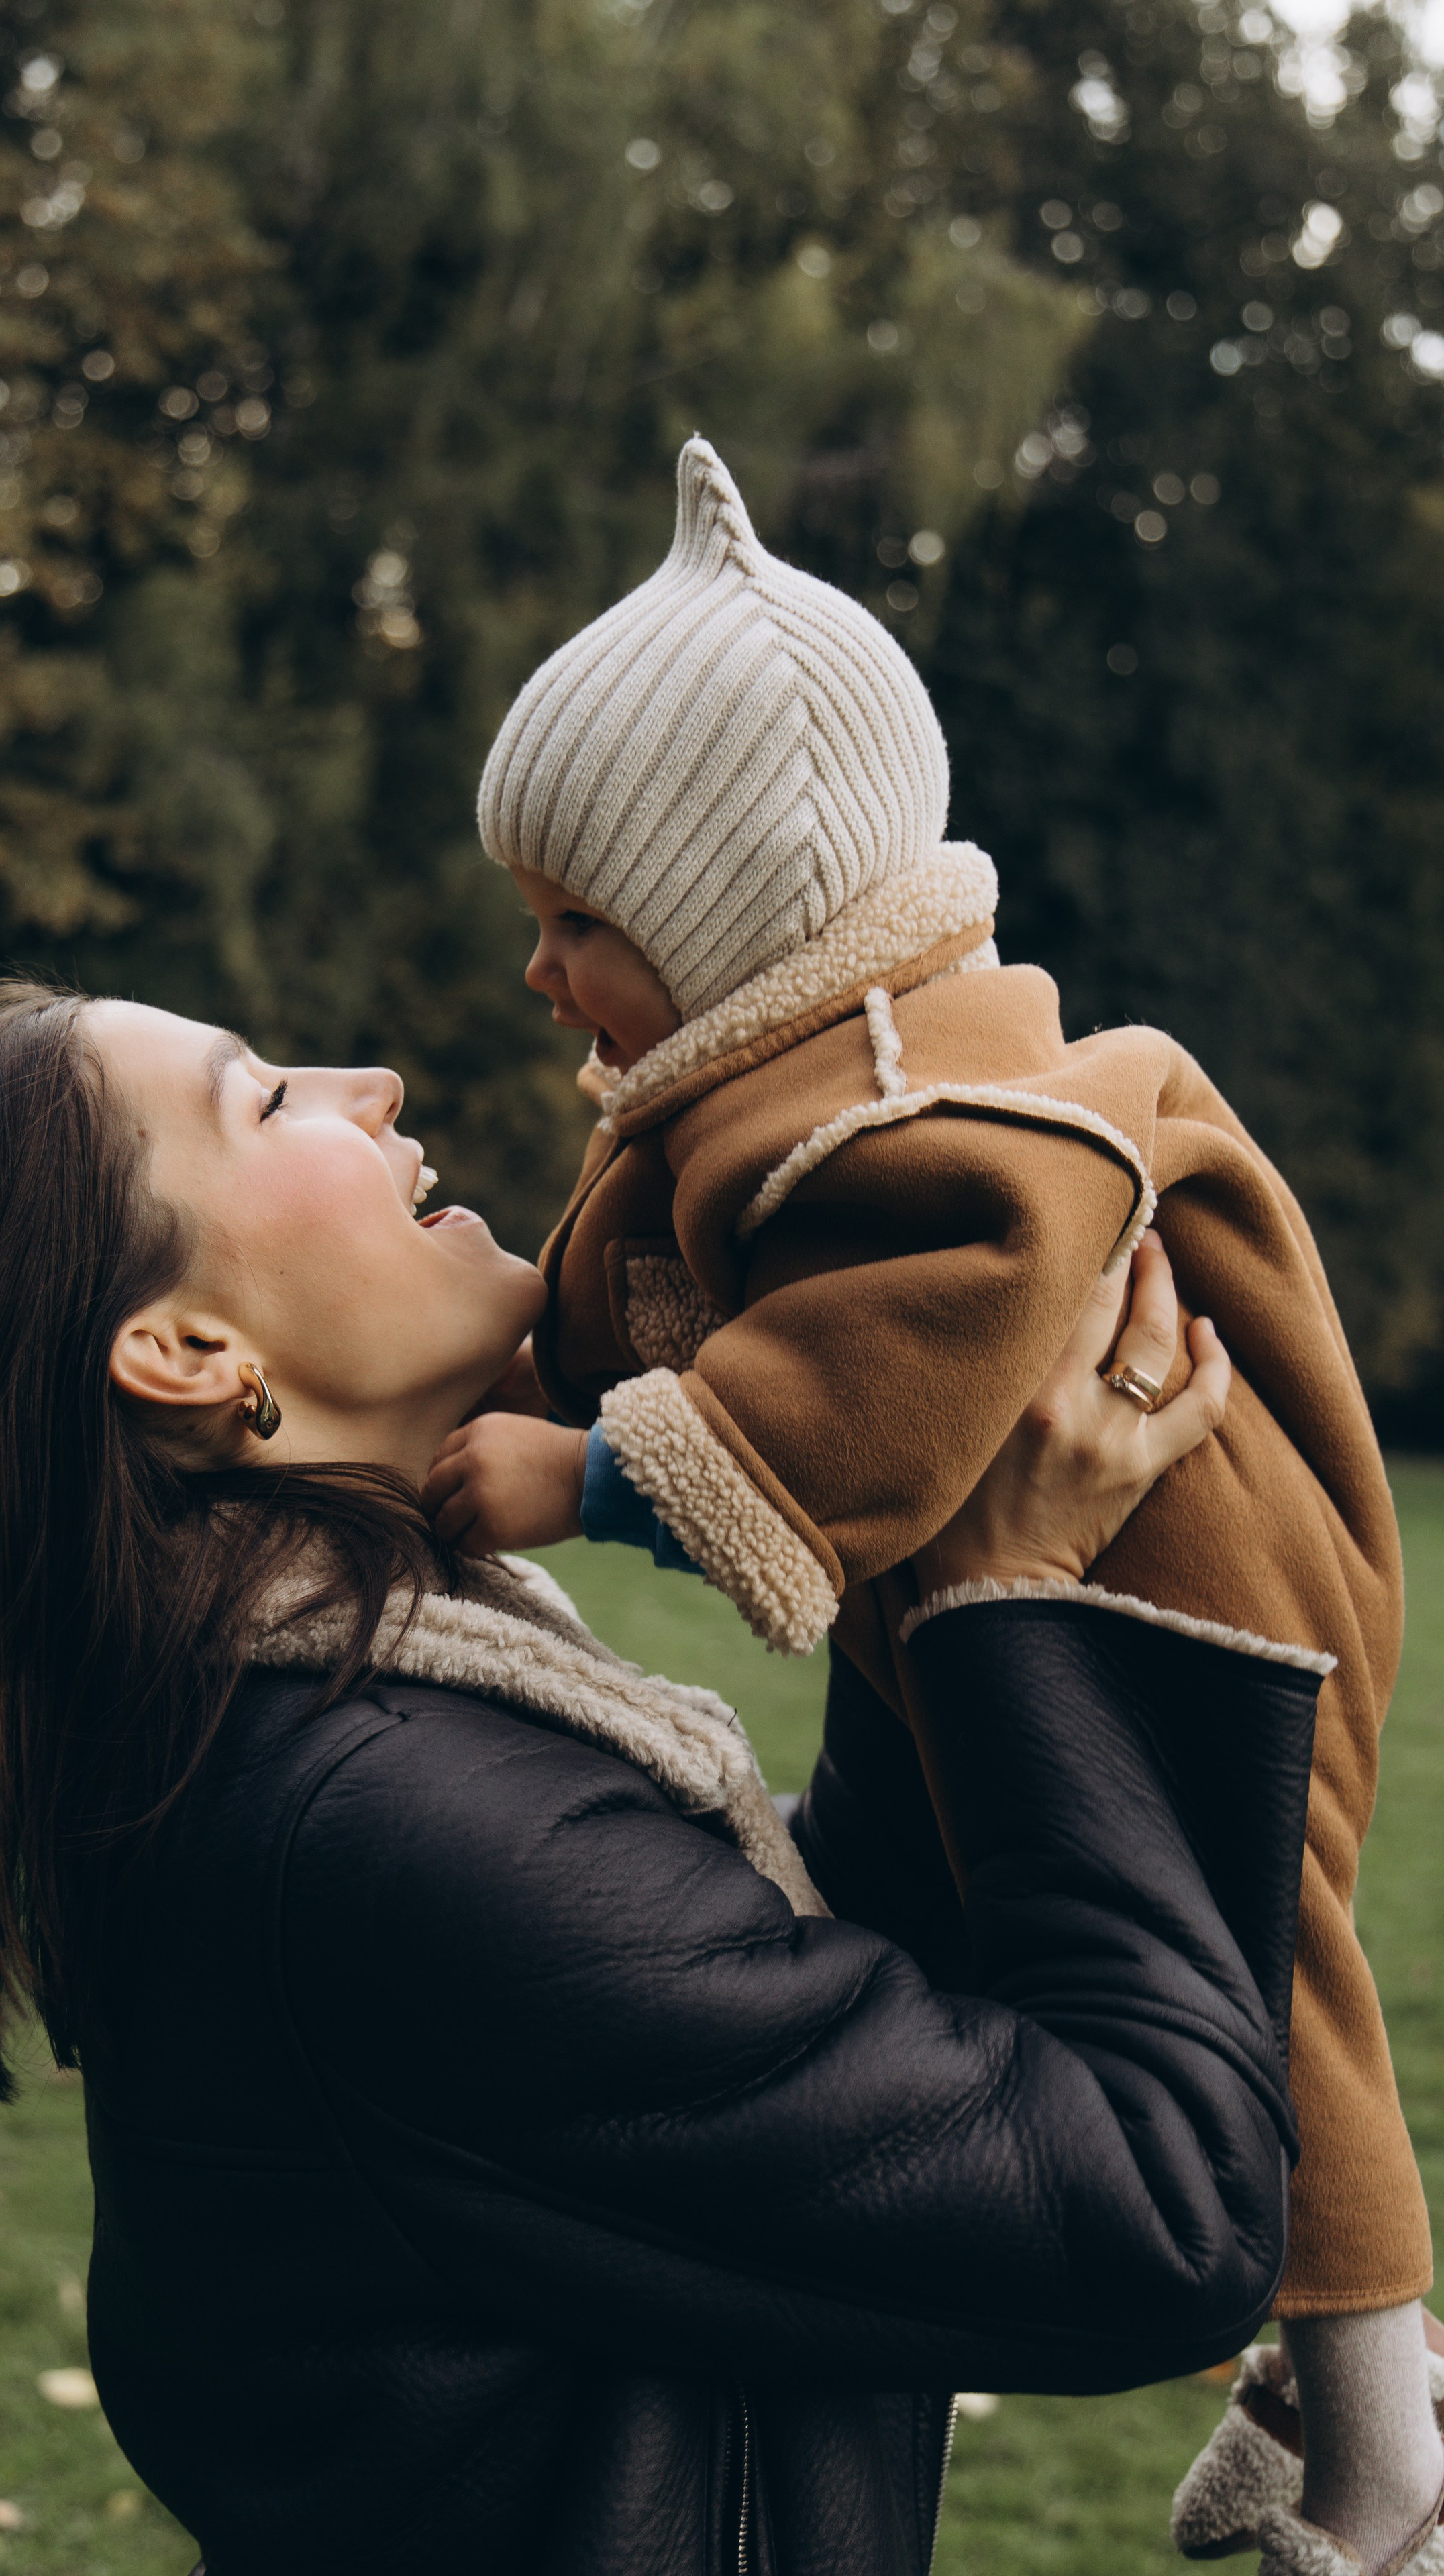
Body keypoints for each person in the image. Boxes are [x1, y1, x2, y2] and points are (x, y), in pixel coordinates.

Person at [0, 984, 1318, 2576]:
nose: (371, 1077)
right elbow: (1157, 2216)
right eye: (264, 1102)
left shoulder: (288, 1745)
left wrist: (919, 1507)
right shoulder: (372, 1825)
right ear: (189, 1350)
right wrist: (1004, 1603)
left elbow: (798, 2008)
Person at [430, 437, 1443, 2576]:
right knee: (966, 1957)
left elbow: (904, 1351)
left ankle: (1383, 2442)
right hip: (1011, 1589)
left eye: (581, 925)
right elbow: (635, 1294)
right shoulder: (726, 1091)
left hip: (1188, 1576)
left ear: (736, 918)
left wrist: (595, 1470)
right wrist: (497, 1373)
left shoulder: (927, 1107)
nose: (545, 978)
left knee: (1266, 1962)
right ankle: (1240, 2347)